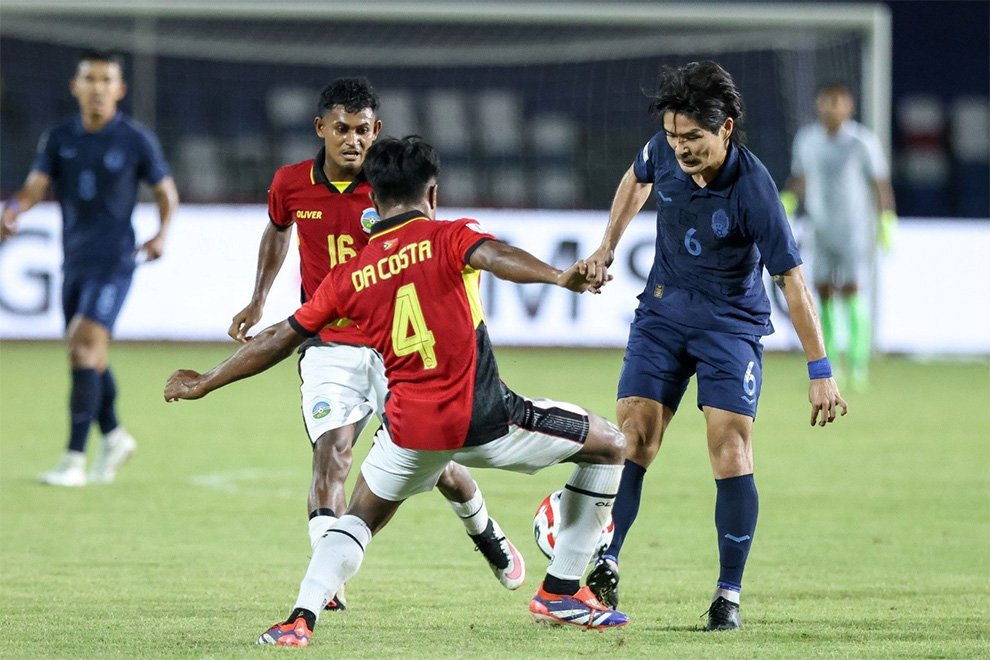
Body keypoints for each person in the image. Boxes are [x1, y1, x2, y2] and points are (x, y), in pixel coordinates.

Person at [166, 135, 630, 646]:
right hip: (481, 418)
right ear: (432, 194)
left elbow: (279, 337)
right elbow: (496, 255)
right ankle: (560, 591)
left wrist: (207, 381)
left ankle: (299, 619)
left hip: (408, 430)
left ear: (372, 199)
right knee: (611, 444)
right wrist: (558, 276)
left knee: (359, 518)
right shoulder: (451, 235)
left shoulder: (351, 275)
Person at [227, 79, 521, 610]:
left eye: (363, 130)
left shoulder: (390, 188)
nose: (353, 140)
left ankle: (485, 531)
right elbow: (277, 229)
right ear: (321, 129)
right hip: (327, 344)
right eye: (341, 129)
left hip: (394, 345)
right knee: (332, 454)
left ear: (376, 131)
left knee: (440, 466)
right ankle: (329, 579)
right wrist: (258, 298)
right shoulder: (291, 183)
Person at [580, 61, 848, 631]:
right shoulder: (663, 149)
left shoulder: (754, 189)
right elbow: (637, 177)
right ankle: (605, 562)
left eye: (693, 138)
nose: (680, 149)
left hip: (729, 327)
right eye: (675, 136)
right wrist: (607, 245)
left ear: (726, 128)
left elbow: (792, 282)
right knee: (633, 440)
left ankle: (728, 593)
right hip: (661, 315)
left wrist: (819, 368)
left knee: (729, 449)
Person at [1, 49, 179, 487]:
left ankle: (73, 460)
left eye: (106, 80)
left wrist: (161, 234)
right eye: (90, 79)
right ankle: (115, 435)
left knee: (82, 348)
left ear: (119, 89)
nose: (97, 87)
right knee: (89, 356)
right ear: (75, 87)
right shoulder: (60, 137)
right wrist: (13, 209)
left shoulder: (136, 140)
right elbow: (34, 188)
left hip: (116, 262)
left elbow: (166, 193)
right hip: (75, 262)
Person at [782, 83, 897, 391]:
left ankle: (858, 364)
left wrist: (886, 218)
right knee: (822, 293)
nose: (831, 108)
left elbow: (879, 183)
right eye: (826, 102)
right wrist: (786, 203)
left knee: (851, 290)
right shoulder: (807, 140)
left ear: (849, 107)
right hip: (820, 229)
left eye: (837, 102)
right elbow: (801, 177)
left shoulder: (863, 141)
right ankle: (829, 361)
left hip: (854, 230)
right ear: (819, 105)